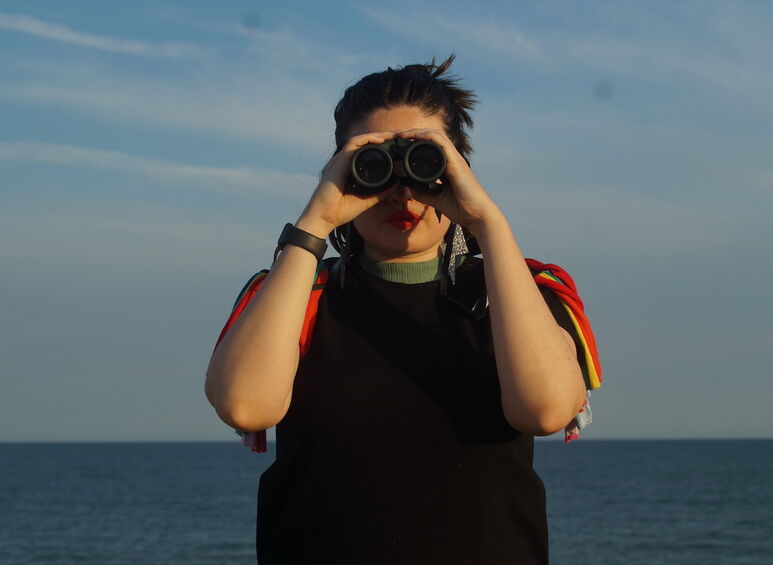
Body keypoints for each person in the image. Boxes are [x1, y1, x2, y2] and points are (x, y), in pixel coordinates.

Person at [205, 55, 599, 564]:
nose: (402, 191)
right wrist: (315, 222)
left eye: (425, 160)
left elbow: (544, 410)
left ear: (459, 170)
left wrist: (487, 223)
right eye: (374, 166)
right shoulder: (293, 293)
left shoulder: (524, 293)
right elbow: (245, 406)